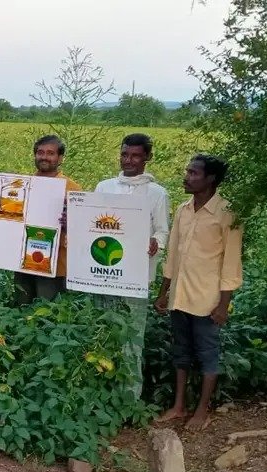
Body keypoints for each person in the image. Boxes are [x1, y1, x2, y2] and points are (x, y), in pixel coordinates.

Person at [154, 154, 242, 431]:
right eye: (187, 172)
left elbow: (231, 263)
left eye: (194, 173)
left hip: (207, 299)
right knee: (180, 352)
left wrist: (223, 305)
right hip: (180, 295)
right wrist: (163, 292)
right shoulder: (183, 210)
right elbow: (172, 256)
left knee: (207, 354)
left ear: (210, 179)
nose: (187, 177)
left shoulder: (227, 213)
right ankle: (179, 406)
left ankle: (202, 410)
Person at [94, 133, 171, 398]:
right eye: (125, 154)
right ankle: (103, 396)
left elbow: (162, 231)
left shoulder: (157, 193)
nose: (129, 160)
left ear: (147, 157)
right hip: (103, 274)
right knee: (103, 333)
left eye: (136, 156)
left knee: (132, 339)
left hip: (135, 278)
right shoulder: (104, 187)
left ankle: (129, 399)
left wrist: (156, 243)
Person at [13, 135, 82, 305]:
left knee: (48, 309)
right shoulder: (23, 185)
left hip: (55, 264)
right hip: (24, 259)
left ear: (60, 158)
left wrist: (71, 223)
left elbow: (82, 229)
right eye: (40, 152)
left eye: (50, 153)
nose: (44, 157)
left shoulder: (72, 188)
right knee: (21, 306)